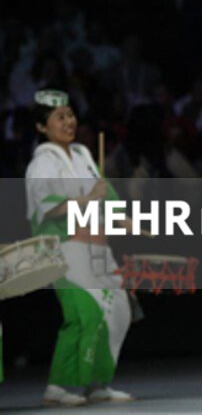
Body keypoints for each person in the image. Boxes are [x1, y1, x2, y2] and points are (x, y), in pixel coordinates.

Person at [24, 90, 134, 406]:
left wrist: (133, 224)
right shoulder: (43, 163)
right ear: (41, 128)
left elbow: (107, 200)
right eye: (59, 117)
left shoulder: (84, 155)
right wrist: (88, 199)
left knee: (118, 312)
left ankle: (97, 382)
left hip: (98, 247)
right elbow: (49, 209)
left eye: (70, 114)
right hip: (65, 247)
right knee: (83, 313)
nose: (68, 121)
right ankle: (58, 386)